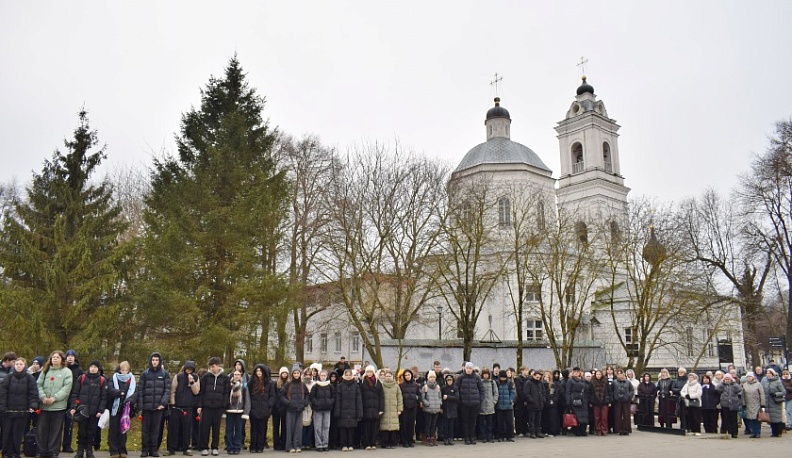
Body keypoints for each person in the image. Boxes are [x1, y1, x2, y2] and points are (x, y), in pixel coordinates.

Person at [37, 351, 73, 458]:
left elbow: (66, 388)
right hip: (44, 406)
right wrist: (43, 397)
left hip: (58, 407)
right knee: (42, 430)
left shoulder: (66, 372)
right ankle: (41, 451)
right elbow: (38, 385)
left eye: (57, 357)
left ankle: (53, 452)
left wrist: (54, 398)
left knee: (55, 431)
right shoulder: (45, 370)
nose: (55, 359)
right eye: (53, 357)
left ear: (62, 359)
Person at [0, 357, 38, 458]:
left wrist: (33, 405)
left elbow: (33, 393)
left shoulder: (30, 378)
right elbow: (3, 393)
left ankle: (16, 453)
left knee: (17, 434)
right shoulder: (8, 378)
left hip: (22, 411)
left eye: (21, 364)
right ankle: (6, 453)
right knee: (7, 433)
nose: (18, 366)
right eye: (17, 364)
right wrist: (2, 407)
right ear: (14, 365)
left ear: (24, 366)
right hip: (8, 411)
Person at [137, 353, 170, 458]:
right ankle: (144, 450)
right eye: (153, 360)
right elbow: (140, 391)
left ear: (159, 361)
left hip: (158, 408)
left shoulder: (164, 374)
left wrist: (163, 403)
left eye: (156, 360)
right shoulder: (145, 374)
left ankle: (153, 450)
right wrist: (140, 407)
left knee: (155, 430)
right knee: (145, 430)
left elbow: (167, 390)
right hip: (146, 407)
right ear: (150, 361)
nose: (155, 362)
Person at [198, 357, 230, 456]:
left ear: (218, 366)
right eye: (211, 366)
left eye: (214, 366)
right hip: (207, 407)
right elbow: (201, 392)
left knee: (216, 428)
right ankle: (204, 447)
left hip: (218, 407)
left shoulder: (225, 378)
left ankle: (215, 447)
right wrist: (200, 405)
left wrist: (223, 405)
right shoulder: (205, 377)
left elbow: (226, 392)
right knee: (205, 428)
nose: (212, 368)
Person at [168, 361, 200, 456]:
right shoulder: (178, 377)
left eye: (191, 369)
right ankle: (171, 449)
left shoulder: (196, 377)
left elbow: (196, 392)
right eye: (187, 368)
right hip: (177, 407)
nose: (189, 370)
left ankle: (186, 448)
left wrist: (192, 382)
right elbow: (173, 391)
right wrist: (173, 403)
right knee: (174, 429)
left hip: (188, 407)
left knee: (187, 429)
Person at [107, 361, 136, 458]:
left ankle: (122, 450)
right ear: (120, 369)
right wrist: (119, 393)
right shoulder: (114, 378)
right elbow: (110, 390)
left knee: (123, 430)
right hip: (115, 408)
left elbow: (135, 392)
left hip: (126, 408)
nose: (124, 372)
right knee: (113, 430)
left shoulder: (132, 379)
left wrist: (130, 400)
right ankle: (114, 451)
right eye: (122, 370)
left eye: (126, 370)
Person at [280, 364, 309, 453]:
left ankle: (297, 446)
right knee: (290, 429)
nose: (296, 375)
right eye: (295, 373)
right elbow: (281, 395)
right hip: (290, 410)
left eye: (298, 373)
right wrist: (288, 403)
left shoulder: (302, 385)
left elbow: (307, 395)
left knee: (298, 429)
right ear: (292, 374)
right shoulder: (288, 384)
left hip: (299, 410)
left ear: (300, 374)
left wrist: (304, 403)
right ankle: (289, 446)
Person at [247, 364, 275, 453]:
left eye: (260, 371)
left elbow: (272, 396)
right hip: (253, 409)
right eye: (257, 371)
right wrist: (250, 407)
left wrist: (268, 405)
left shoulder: (269, 383)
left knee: (262, 429)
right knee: (254, 428)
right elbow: (248, 395)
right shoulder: (251, 382)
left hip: (264, 409)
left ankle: (260, 446)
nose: (259, 373)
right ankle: (253, 446)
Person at [334, 369, 361, 452]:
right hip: (342, 411)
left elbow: (358, 400)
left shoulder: (356, 386)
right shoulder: (340, 386)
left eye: (350, 375)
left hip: (353, 410)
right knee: (343, 428)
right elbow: (337, 400)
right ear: (344, 376)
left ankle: (350, 444)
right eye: (347, 375)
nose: (348, 376)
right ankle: (344, 445)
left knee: (351, 429)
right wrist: (337, 412)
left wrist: (359, 412)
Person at [61, 350, 82, 454]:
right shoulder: (62, 368)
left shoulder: (79, 370)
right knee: (58, 424)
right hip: (61, 399)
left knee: (69, 424)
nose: (70, 358)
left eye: (72, 356)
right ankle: (55, 444)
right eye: (68, 356)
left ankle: (67, 445)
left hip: (72, 400)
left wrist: (77, 401)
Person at [225, 370, 249, 454]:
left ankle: (237, 447)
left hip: (239, 411)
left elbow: (247, 399)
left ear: (241, 376)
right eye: (235, 374)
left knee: (238, 430)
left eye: (238, 374)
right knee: (229, 430)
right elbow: (225, 396)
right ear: (232, 375)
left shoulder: (244, 386)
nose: (236, 376)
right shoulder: (228, 385)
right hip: (229, 410)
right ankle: (229, 447)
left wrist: (246, 411)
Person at [359, 365, 383, 450]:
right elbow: (360, 396)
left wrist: (381, 409)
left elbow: (381, 396)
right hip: (366, 408)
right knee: (366, 427)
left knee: (374, 427)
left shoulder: (378, 382)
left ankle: (373, 443)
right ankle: (366, 444)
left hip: (375, 408)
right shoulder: (362, 382)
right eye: (368, 372)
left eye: (371, 372)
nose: (369, 373)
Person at [309, 370, 334, 452]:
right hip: (318, 409)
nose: (323, 377)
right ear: (319, 376)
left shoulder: (330, 386)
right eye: (321, 375)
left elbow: (333, 396)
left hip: (327, 409)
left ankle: (325, 444)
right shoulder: (315, 386)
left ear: (327, 376)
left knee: (326, 427)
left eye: (324, 375)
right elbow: (312, 397)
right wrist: (317, 403)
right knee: (318, 427)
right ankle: (319, 445)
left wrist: (329, 402)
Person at [565, 367, 590, 437]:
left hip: (583, 400)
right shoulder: (570, 380)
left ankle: (583, 430)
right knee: (576, 416)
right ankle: (576, 430)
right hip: (574, 400)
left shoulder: (583, 380)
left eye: (577, 371)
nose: (576, 373)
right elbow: (568, 391)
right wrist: (568, 401)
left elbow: (586, 390)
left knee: (584, 416)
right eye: (575, 371)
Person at [397, 369, 419, 447]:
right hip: (405, 407)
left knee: (411, 424)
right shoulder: (401, 385)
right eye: (406, 375)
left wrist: (417, 399)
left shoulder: (416, 385)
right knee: (404, 424)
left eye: (408, 375)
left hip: (413, 407)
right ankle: (404, 441)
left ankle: (410, 440)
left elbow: (419, 395)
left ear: (411, 375)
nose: (407, 376)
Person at [761, 368, 785, 437]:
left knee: (777, 418)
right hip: (768, 402)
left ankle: (779, 432)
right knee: (770, 418)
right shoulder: (765, 382)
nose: (768, 374)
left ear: (772, 374)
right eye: (767, 373)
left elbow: (783, 392)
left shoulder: (777, 382)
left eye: (769, 373)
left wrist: (775, 394)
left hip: (776, 402)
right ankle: (773, 432)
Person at [420, 371, 442, 446]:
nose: (432, 378)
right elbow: (423, 398)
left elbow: (440, 396)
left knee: (434, 425)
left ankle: (432, 437)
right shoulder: (425, 387)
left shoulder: (438, 387)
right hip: (428, 409)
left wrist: (439, 403)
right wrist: (428, 404)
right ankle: (428, 438)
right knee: (428, 424)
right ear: (428, 378)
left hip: (436, 408)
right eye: (431, 377)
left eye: (433, 377)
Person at [741, 372, 765, 438]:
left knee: (757, 419)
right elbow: (743, 395)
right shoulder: (745, 385)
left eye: (750, 376)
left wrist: (762, 404)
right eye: (747, 377)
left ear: (753, 377)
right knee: (750, 419)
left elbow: (762, 394)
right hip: (748, 404)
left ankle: (757, 432)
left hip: (757, 404)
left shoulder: (758, 384)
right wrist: (743, 403)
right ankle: (753, 432)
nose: (749, 378)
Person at [476, 367, 497, 442]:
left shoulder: (492, 382)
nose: (485, 376)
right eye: (484, 374)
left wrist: (494, 402)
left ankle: (489, 437)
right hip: (482, 406)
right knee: (482, 424)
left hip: (490, 406)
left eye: (487, 374)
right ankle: (483, 437)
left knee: (490, 423)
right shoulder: (479, 382)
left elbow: (496, 393)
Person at [523, 369, 545, 439]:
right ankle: (532, 432)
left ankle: (538, 432)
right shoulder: (528, 383)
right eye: (537, 377)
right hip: (532, 404)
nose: (538, 379)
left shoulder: (540, 383)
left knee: (538, 419)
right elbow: (526, 394)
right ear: (533, 376)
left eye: (539, 377)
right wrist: (532, 400)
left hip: (540, 404)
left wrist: (543, 400)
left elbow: (543, 392)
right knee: (532, 419)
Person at [718, 373, 741, 438]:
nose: (727, 380)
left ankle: (735, 433)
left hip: (733, 404)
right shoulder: (723, 386)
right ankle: (729, 432)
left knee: (733, 419)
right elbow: (717, 388)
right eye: (726, 379)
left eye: (728, 379)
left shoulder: (734, 385)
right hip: (725, 404)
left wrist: (734, 383)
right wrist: (722, 382)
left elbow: (739, 389)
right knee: (727, 419)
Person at [272, 367, 289, 450]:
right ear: (280, 374)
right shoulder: (276, 383)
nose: (284, 374)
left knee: (284, 426)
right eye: (283, 373)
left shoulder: (289, 383)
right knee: (276, 426)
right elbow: (274, 395)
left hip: (285, 408)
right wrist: (277, 405)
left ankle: (284, 443)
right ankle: (276, 444)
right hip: (276, 408)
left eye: (285, 373)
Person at [494, 371, 515, 442]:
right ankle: (500, 436)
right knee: (500, 422)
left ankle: (510, 436)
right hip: (499, 405)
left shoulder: (509, 383)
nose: (503, 379)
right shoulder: (497, 383)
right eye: (501, 377)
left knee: (509, 422)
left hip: (508, 406)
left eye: (504, 377)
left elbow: (513, 392)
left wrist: (510, 400)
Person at [589, 370, 611, 436]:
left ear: (601, 375)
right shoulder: (592, 382)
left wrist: (609, 401)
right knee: (597, 417)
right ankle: (598, 430)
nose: (598, 376)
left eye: (599, 374)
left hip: (604, 401)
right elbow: (590, 392)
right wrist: (591, 401)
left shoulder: (605, 381)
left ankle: (604, 430)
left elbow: (609, 391)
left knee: (604, 417)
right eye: (597, 374)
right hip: (595, 402)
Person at [440, 374, 458, 445]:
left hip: (452, 408)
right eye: (448, 380)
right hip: (445, 408)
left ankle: (450, 438)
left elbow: (456, 397)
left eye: (450, 380)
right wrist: (441, 407)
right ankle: (446, 438)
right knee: (445, 425)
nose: (449, 381)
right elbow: (440, 398)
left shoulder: (455, 388)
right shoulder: (443, 388)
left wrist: (448, 397)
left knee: (451, 425)